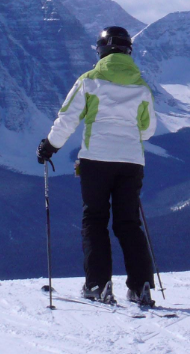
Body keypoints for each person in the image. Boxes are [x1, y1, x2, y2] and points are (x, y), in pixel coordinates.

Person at [37, 26, 157, 305]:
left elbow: (67, 119)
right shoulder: (141, 86)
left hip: (96, 160)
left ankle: (98, 284)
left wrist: (49, 147)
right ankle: (141, 286)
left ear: (101, 51)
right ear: (128, 51)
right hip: (131, 162)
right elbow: (148, 130)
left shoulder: (89, 80)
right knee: (128, 222)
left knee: (95, 220)